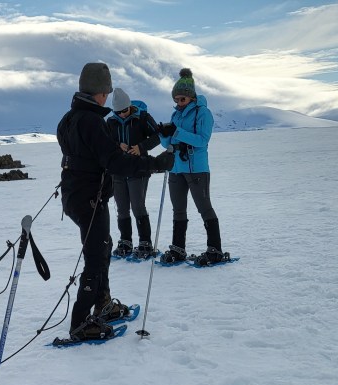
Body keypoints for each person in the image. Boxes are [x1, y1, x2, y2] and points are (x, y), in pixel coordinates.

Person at [57, 63, 175, 341]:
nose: (107, 97)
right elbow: (115, 162)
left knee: (103, 246)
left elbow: (88, 157)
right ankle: (80, 322)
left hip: (76, 196)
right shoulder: (91, 121)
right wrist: (156, 163)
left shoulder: (68, 119)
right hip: (90, 199)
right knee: (96, 257)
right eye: (106, 91)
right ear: (100, 92)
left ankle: (105, 305)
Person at [158, 68, 227, 265]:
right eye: (176, 99)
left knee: (204, 208)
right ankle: (178, 248)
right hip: (177, 168)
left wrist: (177, 131)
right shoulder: (176, 115)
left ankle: (215, 249)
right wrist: (164, 134)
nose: (179, 103)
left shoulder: (203, 113)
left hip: (197, 168)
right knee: (178, 210)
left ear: (191, 97)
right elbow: (168, 144)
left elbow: (202, 140)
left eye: (182, 99)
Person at [106, 87, 162, 260]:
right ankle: (125, 241)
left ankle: (145, 242)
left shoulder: (142, 118)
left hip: (139, 168)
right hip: (118, 171)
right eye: (118, 112)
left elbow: (158, 136)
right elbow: (104, 142)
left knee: (138, 206)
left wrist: (141, 147)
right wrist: (117, 145)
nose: (122, 115)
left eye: (124, 110)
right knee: (122, 208)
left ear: (129, 106)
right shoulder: (110, 122)